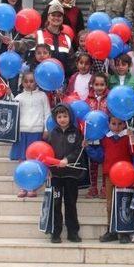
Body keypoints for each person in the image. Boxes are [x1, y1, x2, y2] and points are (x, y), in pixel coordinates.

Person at [45, 103, 84, 243]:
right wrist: (48, 169)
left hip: (71, 175)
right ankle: (55, 232)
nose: (62, 119)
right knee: (55, 204)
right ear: (55, 118)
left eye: (65, 116)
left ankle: (73, 232)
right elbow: (45, 153)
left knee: (70, 203)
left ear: (70, 116)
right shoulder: (51, 134)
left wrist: (68, 160)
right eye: (59, 116)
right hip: (55, 176)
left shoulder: (76, 132)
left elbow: (79, 150)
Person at [11, 71, 51, 197]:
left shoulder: (42, 96)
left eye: (31, 81)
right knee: (22, 160)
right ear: (22, 83)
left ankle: (32, 187)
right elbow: (12, 112)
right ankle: (23, 186)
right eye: (26, 81)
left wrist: (46, 129)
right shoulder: (18, 97)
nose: (29, 84)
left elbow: (47, 113)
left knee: (35, 160)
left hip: (37, 132)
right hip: (22, 132)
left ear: (36, 82)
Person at [99, 116, 133, 244]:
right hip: (109, 175)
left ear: (124, 124)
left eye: (120, 124)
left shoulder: (127, 138)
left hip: (125, 174)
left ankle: (124, 231)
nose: (117, 127)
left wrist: (132, 138)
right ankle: (111, 230)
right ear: (109, 124)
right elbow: (99, 155)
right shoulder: (105, 139)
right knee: (110, 204)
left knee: (124, 202)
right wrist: (88, 148)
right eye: (113, 124)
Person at [26, 2, 75, 79]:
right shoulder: (38, 34)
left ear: (62, 19)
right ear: (48, 17)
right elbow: (23, 46)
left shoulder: (66, 38)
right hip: (40, 82)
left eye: (59, 16)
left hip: (60, 83)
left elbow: (71, 64)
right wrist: (13, 43)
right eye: (53, 15)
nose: (56, 18)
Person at [84, 73, 109, 198]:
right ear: (92, 85)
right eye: (96, 84)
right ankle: (93, 187)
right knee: (92, 162)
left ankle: (104, 187)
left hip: (105, 135)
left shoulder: (110, 99)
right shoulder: (88, 100)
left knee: (105, 161)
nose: (99, 87)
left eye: (102, 84)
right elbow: (83, 116)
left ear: (106, 85)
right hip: (92, 136)